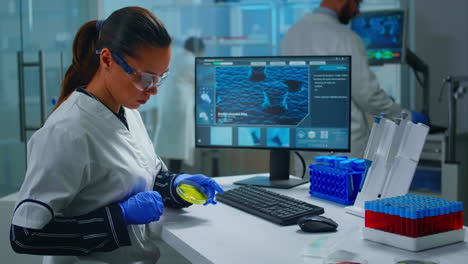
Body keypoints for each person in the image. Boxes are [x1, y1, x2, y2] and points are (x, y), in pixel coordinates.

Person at [9, 7, 223, 264]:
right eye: (145, 78)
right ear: (107, 60)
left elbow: (142, 178)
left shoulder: (129, 112)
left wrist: (176, 186)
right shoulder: (66, 132)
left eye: (160, 78)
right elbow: (26, 235)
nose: (152, 90)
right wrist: (119, 217)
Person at [281, 0, 429, 159]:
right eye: (356, 4)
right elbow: (368, 96)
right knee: (348, 183)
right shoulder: (345, 37)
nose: (357, 12)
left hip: (304, 145)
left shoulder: (292, 34)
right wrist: (405, 116)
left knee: (307, 183)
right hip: (342, 149)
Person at [154, 37, 205, 173]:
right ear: (198, 49)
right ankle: (175, 175)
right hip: (181, 103)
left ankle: (171, 172)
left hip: (168, 101)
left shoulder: (174, 57)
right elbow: (200, 82)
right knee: (179, 142)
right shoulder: (190, 61)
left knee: (172, 141)